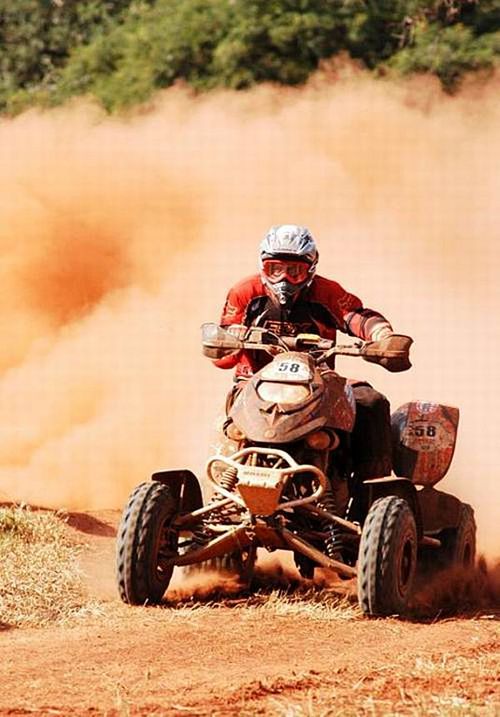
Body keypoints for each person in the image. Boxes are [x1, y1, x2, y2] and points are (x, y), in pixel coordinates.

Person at [209, 224, 412, 485]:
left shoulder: (326, 292)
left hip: (318, 383)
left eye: (294, 271)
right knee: (229, 430)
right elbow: (223, 352)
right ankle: (223, 483)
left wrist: (381, 335)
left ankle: (372, 495)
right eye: (276, 269)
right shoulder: (245, 293)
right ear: (264, 267)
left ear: (311, 269)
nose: (284, 279)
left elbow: (356, 316)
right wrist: (227, 341)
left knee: (371, 402)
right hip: (253, 384)